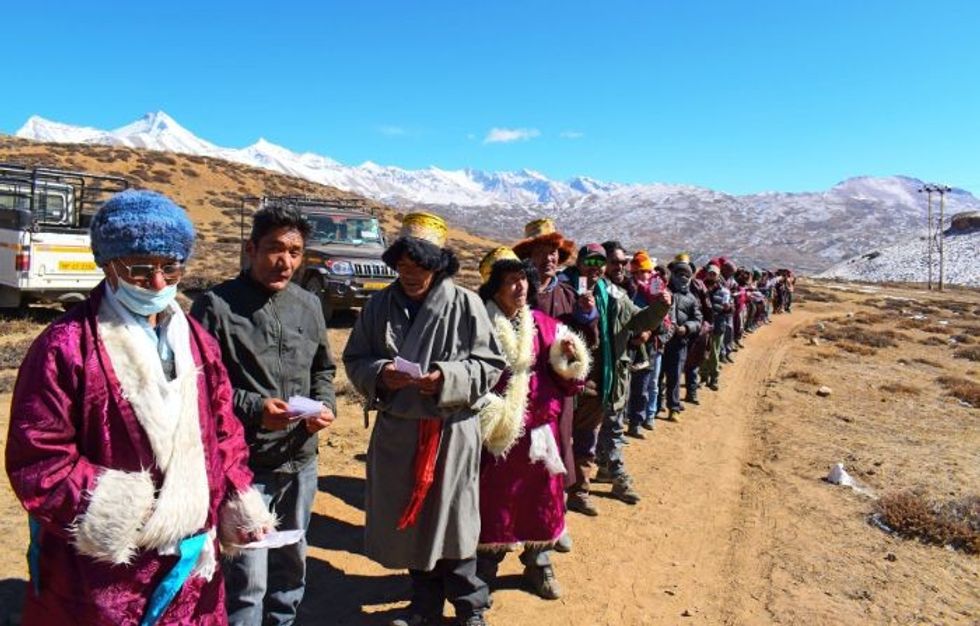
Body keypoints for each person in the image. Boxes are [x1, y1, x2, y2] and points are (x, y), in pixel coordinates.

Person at [5, 190, 276, 626]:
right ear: (108, 265)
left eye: (170, 268)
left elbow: (223, 430)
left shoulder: (197, 343)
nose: (157, 283)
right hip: (105, 570)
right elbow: (39, 459)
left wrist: (233, 495)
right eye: (140, 269)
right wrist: (138, 510)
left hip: (192, 566)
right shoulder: (66, 347)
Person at [343, 213, 506, 626]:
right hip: (399, 431)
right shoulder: (379, 304)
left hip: (450, 431)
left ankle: (471, 607)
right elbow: (355, 358)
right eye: (403, 267)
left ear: (439, 267)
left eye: (420, 267)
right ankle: (424, 605)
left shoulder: (466, 304)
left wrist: (447, 379)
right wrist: (380, 373)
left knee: (455, 522)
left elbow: (490, 364)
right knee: (410, 524)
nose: (411, 276)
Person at [191, 204, 337, 625]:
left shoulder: (308, 305)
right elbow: (200, 386)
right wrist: (255, 410)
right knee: (247, 578)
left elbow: (322, 368)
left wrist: (324, 405)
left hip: (300, 461)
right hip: (245, 466)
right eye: (275, 248)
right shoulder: (215, 306)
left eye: (295, 251)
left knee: (292, 564)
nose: (285, 261)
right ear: (251, 248)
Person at [473, 248, 589, 602]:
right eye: (509, 281)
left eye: (523, 278)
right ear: (493, 288)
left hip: (540, 433)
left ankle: (539, 563)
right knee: (493, 503)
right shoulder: (476, 325)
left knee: (542, 500)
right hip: (495, 433)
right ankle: (484, 569)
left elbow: (571, 382)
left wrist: (570, 360)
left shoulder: (545, 324)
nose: (519, 287)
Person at [561, 244, 671, 516]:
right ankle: (547, 499)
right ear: (580, 262)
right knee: (556, 438)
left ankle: (580, 492)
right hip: (563, 375)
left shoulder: (614, 294)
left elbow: (638, 320)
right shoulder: (564, 288)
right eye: (593, 261)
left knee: (586, 439)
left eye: (602, 262)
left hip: (599, 379)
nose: (597, 267)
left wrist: (660, 308)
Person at [625, 251, 672, 438]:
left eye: (642, 272)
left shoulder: (658, 292)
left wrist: (648, 332)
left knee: (642, 386)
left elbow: (665, 322)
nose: (639, 277)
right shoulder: (626, 289)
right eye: (635, 273)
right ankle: (621, 424)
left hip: (649, 346)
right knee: (624, 387)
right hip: (626, 343)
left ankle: (636, 422)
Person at [662, 257, 702, 421]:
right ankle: (655, 407)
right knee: (657, 376)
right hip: (661, 341)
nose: (683, 277)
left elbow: (698, 320)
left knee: (674, 376)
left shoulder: (692, 298)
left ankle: (673, 408)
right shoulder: (664, 292)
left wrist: (686, 328)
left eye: (686, 274)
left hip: (679, 343)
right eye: (679, 273)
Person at [698, 265, 731, 391]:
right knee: (703, 353)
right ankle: (703, 377)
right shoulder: (701, 289)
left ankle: (714, 378)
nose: (711, 276)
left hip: (717, 326)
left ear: (718, 276)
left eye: (714, 274)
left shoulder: (724, 291)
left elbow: (729, 309)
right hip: (704, 326)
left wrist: (728, 308)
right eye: (710, 274)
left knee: (714, 353)